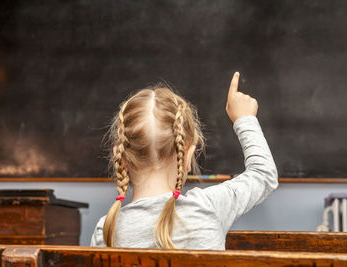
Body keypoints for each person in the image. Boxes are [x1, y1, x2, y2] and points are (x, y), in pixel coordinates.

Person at [90, 72, 278, 249]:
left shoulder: (105, 232)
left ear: (120, 159)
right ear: (187, 157)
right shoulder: (207, 207)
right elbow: (263, 175)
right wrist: (244, 119)